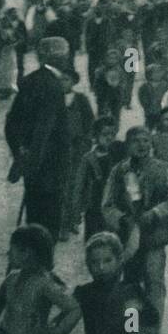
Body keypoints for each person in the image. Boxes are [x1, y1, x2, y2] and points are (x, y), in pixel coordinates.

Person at [102, 127, 168, 334]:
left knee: (154, 283)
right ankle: (132, 330)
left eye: (146, 141)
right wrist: (121, 220)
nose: (142, 145)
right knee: (130, 286)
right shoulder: (119, 172)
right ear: (127, 146)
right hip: (128, 240)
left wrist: (156, 213)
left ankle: (152, 331)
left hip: (154, 237)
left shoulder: (162, 169)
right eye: (136, 141)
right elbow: (107, 205)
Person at [4, 37, 71, 239]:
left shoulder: (31, 80)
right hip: (50, 166)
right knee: (48, 223)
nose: (66, 57)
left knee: (34, 217)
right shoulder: (53, 86)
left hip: (33, 166)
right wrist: (33, 162)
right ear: (57, 57)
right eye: (63, 54)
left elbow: (11, 122)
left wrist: (19, 153)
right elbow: (44, 129)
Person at [60, 70, 96, 241]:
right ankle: (62, 224)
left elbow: (90, 121)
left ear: (73, 81)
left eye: (66, 79)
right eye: (60, 79)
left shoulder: (81, 99)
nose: (63, 82)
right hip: (60, 150)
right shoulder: (54, 99)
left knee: (77, 186)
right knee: (62, 186)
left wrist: (87, 141)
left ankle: (74, 219)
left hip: (78, 149)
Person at [76, 116, 124, 240]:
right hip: (94, 205)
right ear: (96, 136)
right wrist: (76, 209)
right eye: (105, 134)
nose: (109, 137)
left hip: (113, 205)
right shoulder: (89, 158)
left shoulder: (119, 155)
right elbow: (80, 184)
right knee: (94, 238)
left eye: (112, 134)